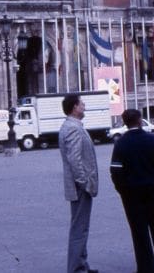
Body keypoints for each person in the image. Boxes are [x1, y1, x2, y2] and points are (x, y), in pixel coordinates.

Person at [110, 108, 154, 273]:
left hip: (131, 195)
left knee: (139, 233)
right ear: (140, 121)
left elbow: (116, 172)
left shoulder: (120, 143)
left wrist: (123, 191)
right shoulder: (152, 139)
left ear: (125, 123)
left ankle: (146, 268)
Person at [60, 93, 99, 273]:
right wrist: (84, 182)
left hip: (78, 186)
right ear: (74, 107)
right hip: (80, 187)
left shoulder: (72, 126)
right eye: (82, 103)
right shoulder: (73, 128)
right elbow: (74, 159)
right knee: (79, 228)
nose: (84, 106)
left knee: (81, 226)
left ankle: (81, 264)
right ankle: (76, 268)